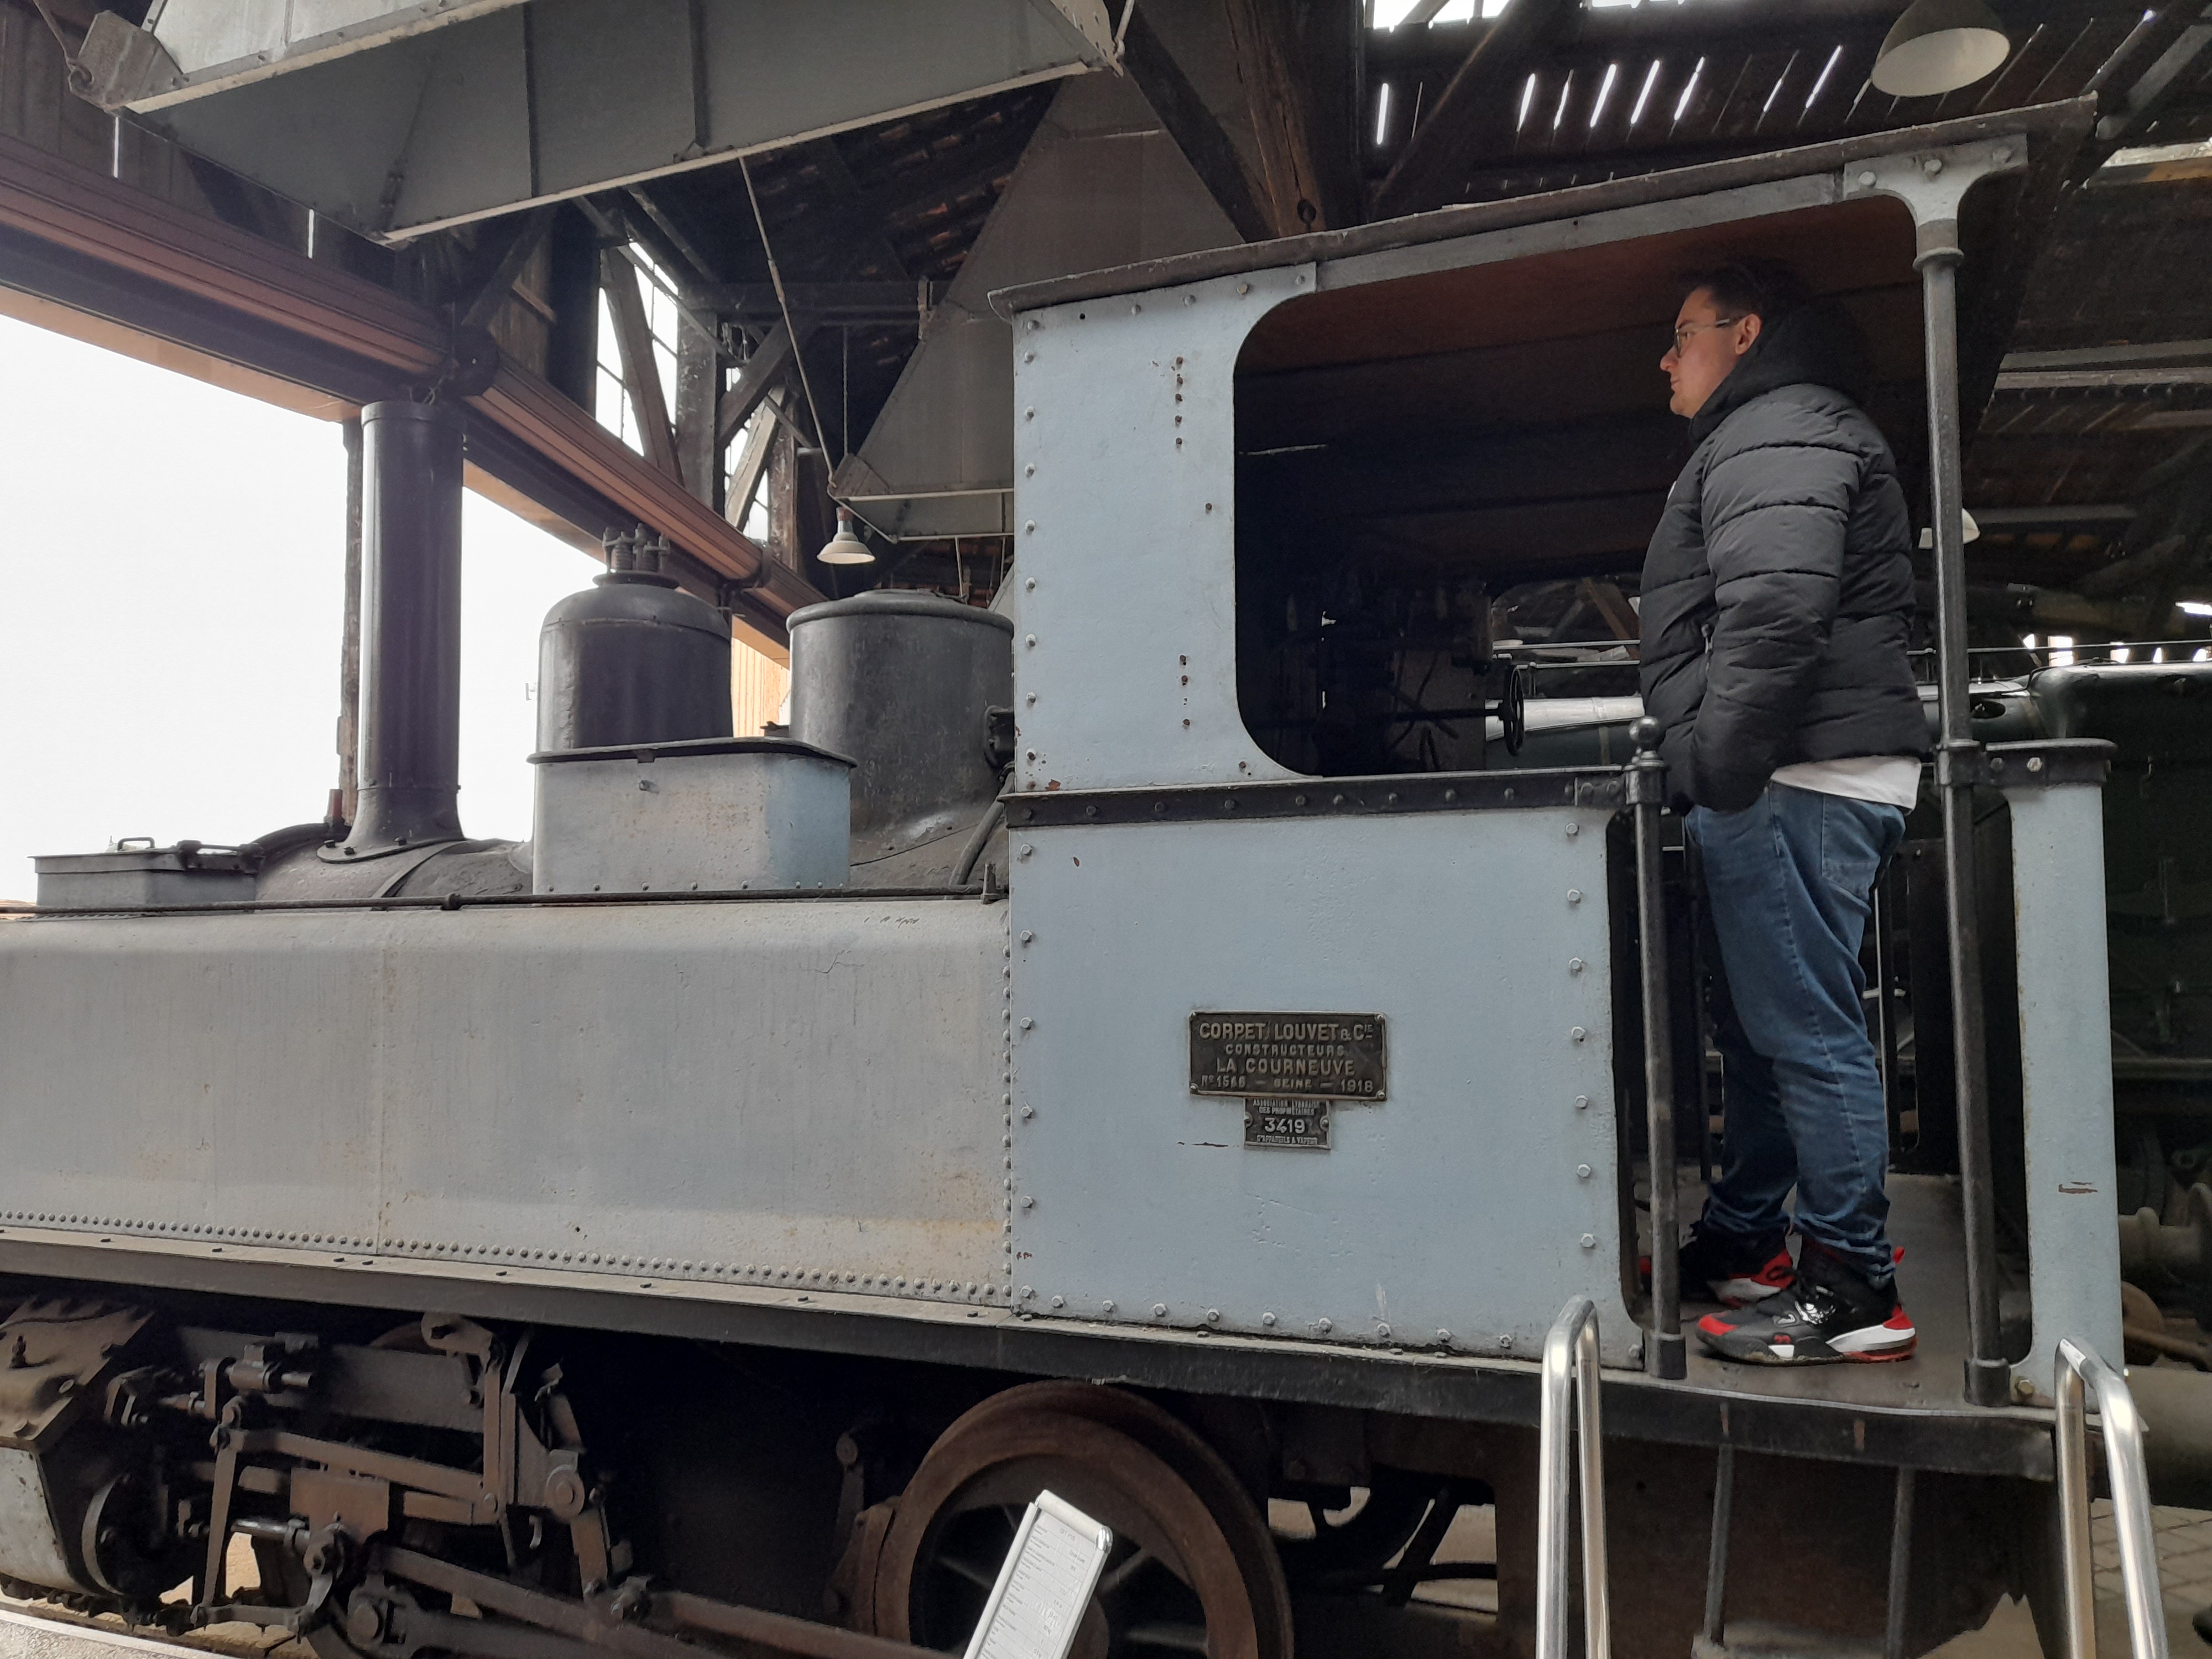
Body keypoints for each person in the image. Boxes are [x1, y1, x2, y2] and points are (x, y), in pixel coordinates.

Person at [1639, 257, 1927, 1364]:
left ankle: (1854, 1290)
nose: (1666, 359)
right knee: (1766, 1037)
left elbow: (1771, 615)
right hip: (1796, 771)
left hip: (1794, 776)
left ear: (1745, 333)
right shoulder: (1780, 428)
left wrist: (1716, 767)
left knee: (1806, 1034)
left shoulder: (1780, 427)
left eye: (1684, 334)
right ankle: (1748, 1240)